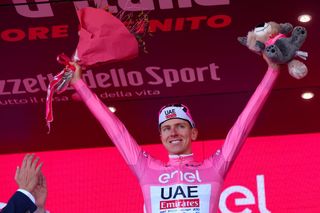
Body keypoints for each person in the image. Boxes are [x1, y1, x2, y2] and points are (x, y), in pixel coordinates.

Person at [69, 54, 280, 213]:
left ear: (194, 133)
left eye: (180, 126)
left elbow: (242, 126)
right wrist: (79, 84)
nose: (173, 133)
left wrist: (272, 71)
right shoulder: (147, 169)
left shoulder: (213, 167)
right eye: (166, 128)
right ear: (161, 137)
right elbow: (115, 129)